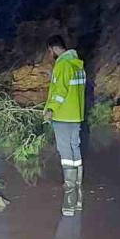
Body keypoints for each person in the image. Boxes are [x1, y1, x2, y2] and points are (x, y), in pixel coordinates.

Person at [44, 35, 86, 215]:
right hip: (76, 114)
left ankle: (69, 192)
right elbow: (72, 88)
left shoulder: (62, 65)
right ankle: (77, 186)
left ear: (52, 49)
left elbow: (60, 91)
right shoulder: (77, 65)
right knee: (74, 147)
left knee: (65, 150)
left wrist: (50, 109)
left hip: (62, 115)